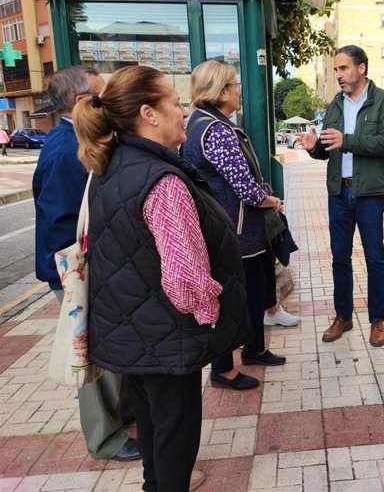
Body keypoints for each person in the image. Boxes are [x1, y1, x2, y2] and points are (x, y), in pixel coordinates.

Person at [73, 65, 252, 492]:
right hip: (168, 334)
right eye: (175, 102)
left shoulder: (111, 165)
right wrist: (210, 313)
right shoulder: (162, 181)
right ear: (149, 114)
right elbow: (187, 280)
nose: (184, 111)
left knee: (153, 427)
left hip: (134, 331)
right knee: (176, 436)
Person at [32, 66, 140, 462]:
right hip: (78, 273)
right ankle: (105, 438)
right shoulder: (64, 150)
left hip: (96, 268)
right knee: (92, 357)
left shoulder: (78, 139)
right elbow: (63, 227)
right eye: (102, 96)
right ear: (83, 103)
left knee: (109, 351)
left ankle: (122, 417)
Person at [182, 60, 288, 391]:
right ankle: (223, 369)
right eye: (234, 84)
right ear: (221, 90)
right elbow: (242, 185)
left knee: (256, 290)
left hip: (238, 231)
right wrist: (269, 200)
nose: (238, 90)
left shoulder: (204, 123)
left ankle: (255, 349)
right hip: (234, 231)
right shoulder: (215, 130)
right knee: (232, 300)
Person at [296, 45, 384, 348]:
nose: (339, 75)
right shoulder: (335, 105)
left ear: (362, 68)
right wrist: (314, 145)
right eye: (336, 70)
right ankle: (343, 316)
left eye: (343, 68)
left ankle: (377, 320)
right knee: (339, 257)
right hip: (338, 191)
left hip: (368, 192)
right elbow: (328, 149)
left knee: (375, 258)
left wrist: (348, 141)